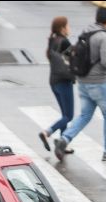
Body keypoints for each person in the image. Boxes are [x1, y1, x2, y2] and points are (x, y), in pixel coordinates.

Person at [54, 7, 106, 162]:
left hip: (83, 82)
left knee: (85, 115)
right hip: (99, 82)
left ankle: (64, 139)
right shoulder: (104, 37)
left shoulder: (86, 31)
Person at [39, 16, 76, 155]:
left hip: (53, 82)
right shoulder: (64, 42)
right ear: (62, 28)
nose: (69, 28)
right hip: (64, 81)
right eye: (68, 25)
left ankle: (63, 143)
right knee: (69, 116)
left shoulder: (53, 40)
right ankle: (47, 132)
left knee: (64, 115)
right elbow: (72, 61)